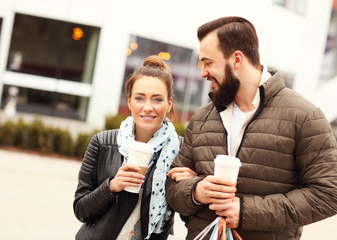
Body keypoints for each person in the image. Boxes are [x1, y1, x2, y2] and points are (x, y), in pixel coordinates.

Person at [166, 16, 337, 240]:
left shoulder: (305, 117)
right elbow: (172, 189)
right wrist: (196, 191)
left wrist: (247, 212)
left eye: (208, 63)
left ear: (237, 59)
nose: (202, 73)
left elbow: (328, 193)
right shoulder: (201, 118)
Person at [73, 55, 196, 240]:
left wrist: (192, 188)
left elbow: (190, 218)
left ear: (169, 104)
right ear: (129, 102)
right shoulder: (103, 143)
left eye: (157, 100)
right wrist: (112, 186)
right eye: (139, 98)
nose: (147, 107)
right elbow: (81, 210)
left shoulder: (181, 150)